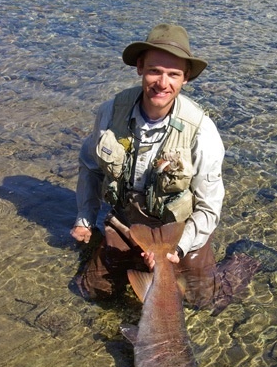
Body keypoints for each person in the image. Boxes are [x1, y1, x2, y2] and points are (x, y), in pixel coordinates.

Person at [70, 24, 262, 314]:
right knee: (94, 291)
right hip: (125, 224)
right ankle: (129, 263)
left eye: (173, 74)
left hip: (177, 231)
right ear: (139, 68)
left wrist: (177, 249)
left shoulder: (202, 131)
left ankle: (244, 261)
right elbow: (90, 166)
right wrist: (84, 219)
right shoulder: (111, 111)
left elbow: (209, 208)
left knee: (205, 301)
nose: (163, 83)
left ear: (185, 79)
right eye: (155, 71)